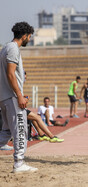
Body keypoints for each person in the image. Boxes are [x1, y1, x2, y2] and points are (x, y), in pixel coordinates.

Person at [0, 22, 38, 173]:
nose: (29, 39)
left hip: (5, 96)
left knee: (7, 131)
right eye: (29, 36)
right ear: (24, 36)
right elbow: (10, 74)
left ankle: (19, 162)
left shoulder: (6, 48)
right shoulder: (13, 49)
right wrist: (20, 95)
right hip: (12, 97)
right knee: (20, 129)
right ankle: (19, 163)